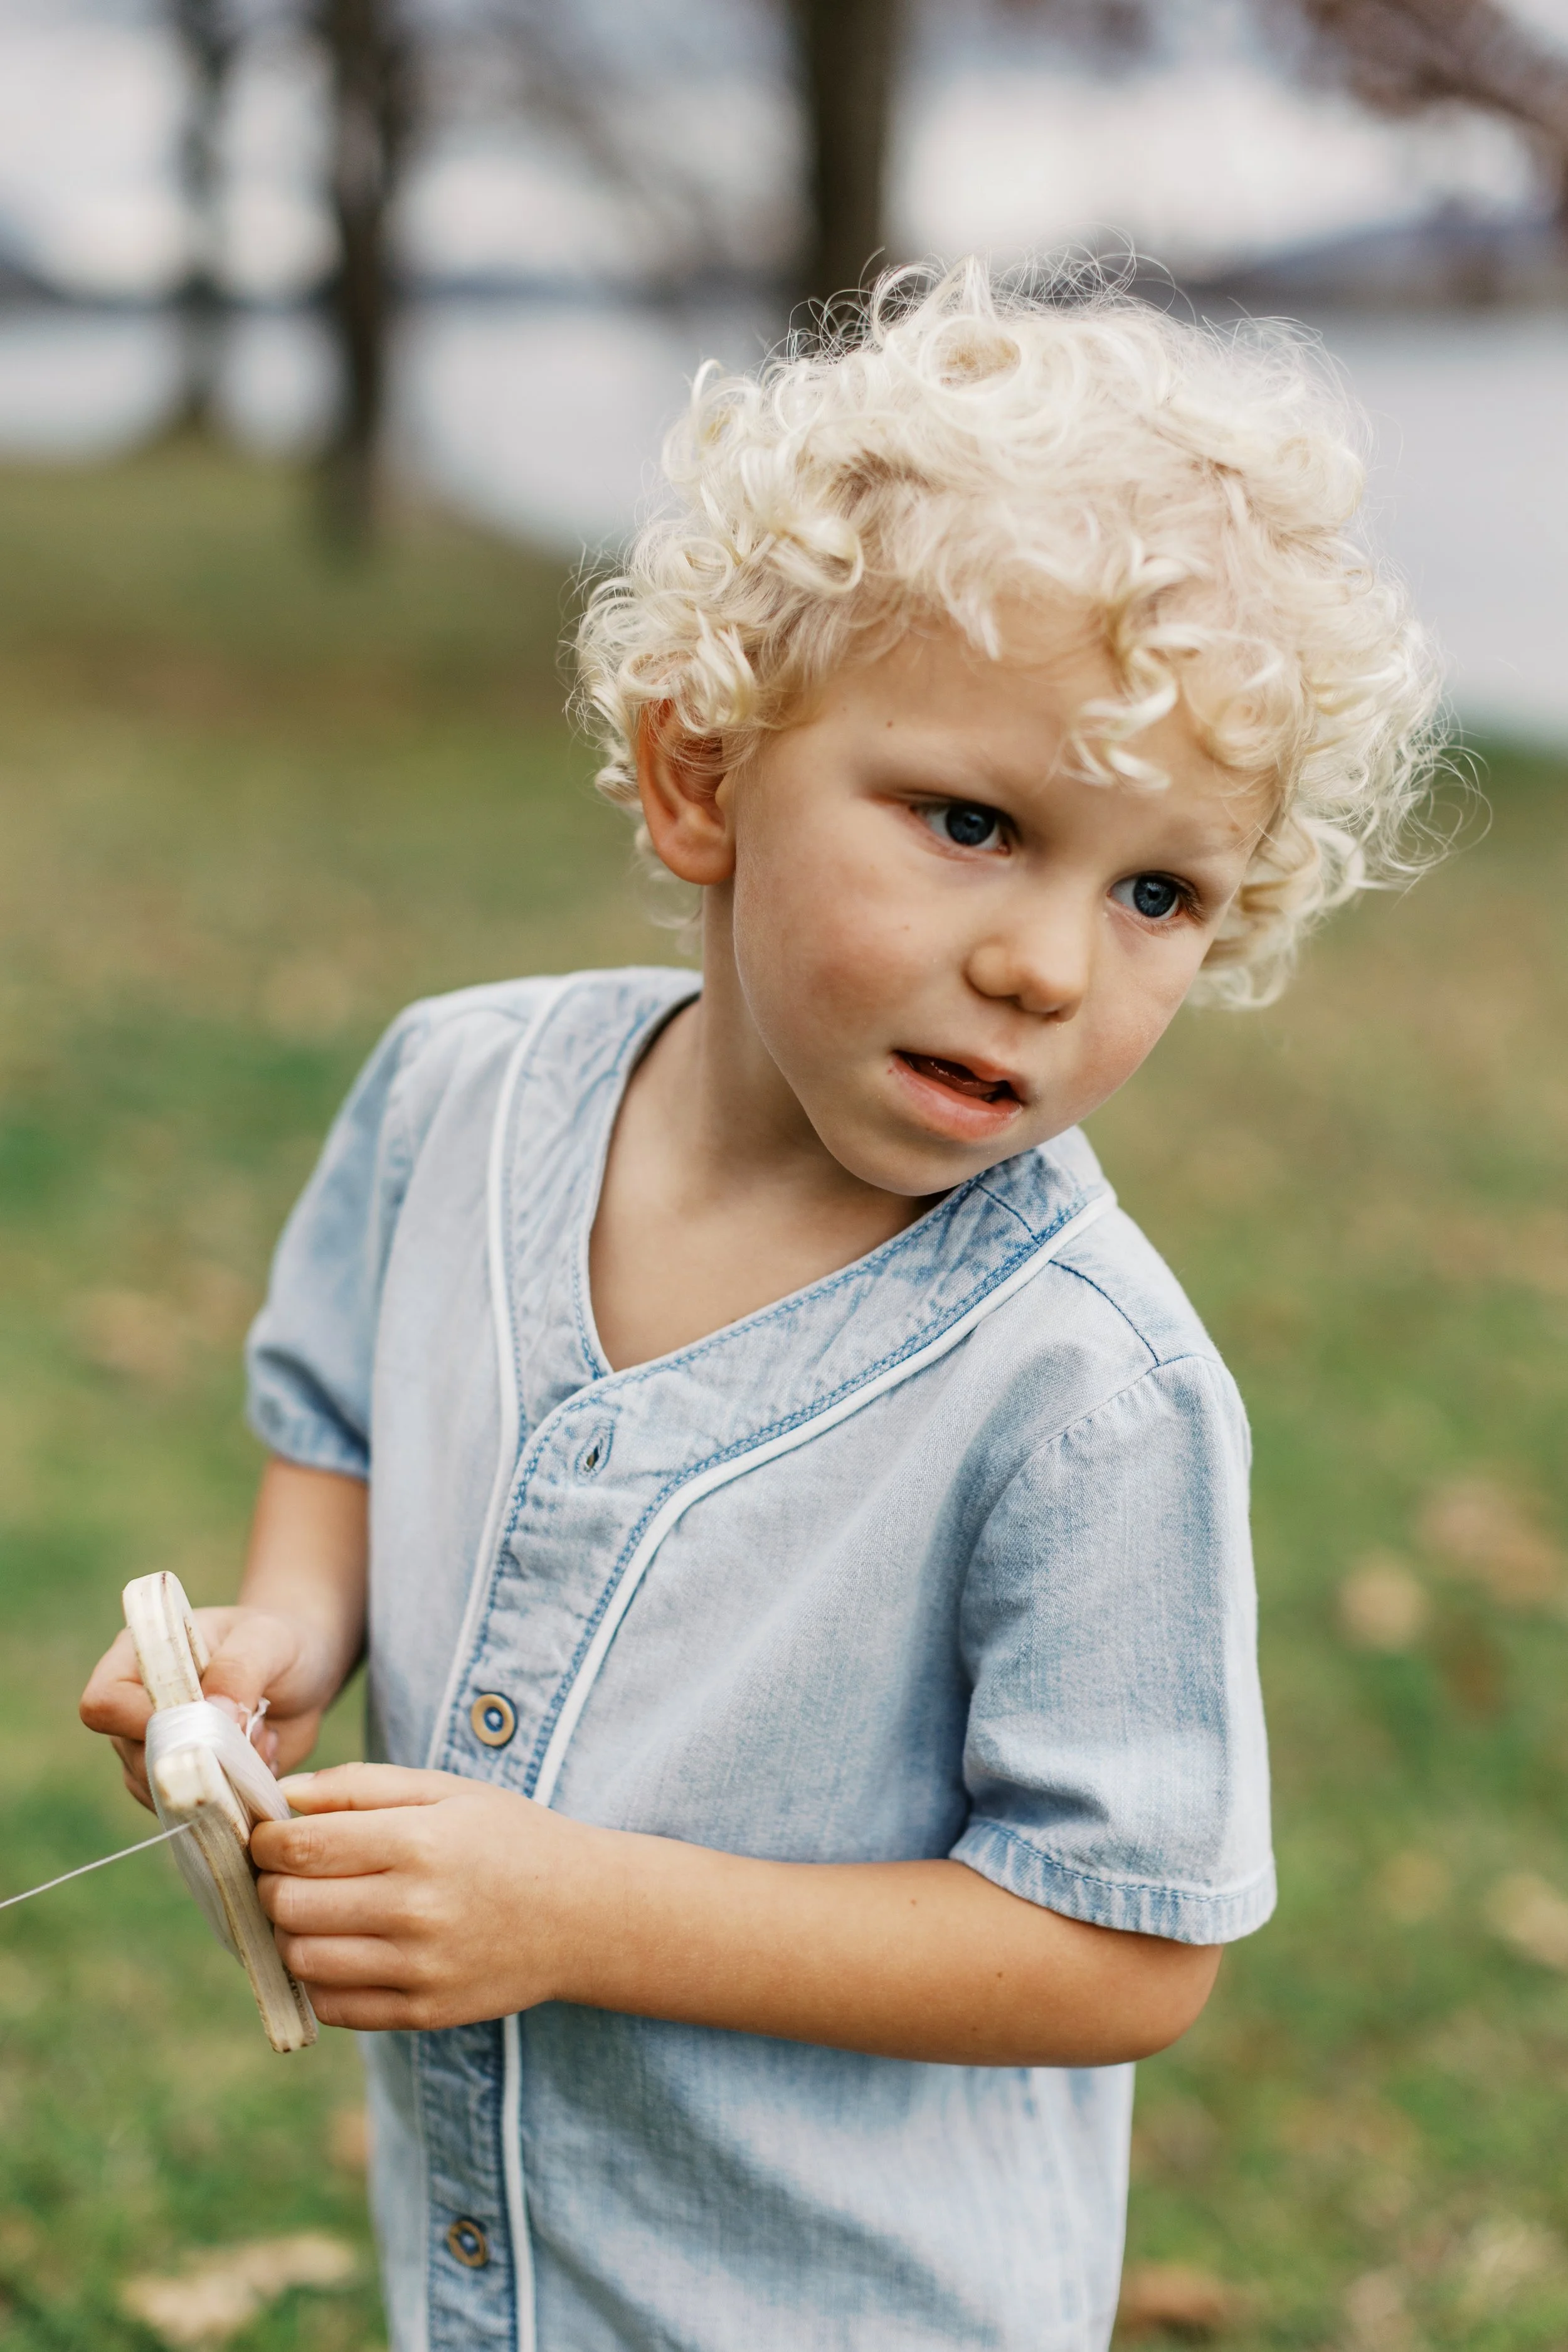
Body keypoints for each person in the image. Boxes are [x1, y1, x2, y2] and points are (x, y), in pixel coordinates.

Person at [82, 261, 1439, 2352]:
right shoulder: (465, 1089)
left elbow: (1121, 1953)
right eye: (971, 824)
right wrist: (281, 1638)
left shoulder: (1086, 1391)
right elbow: (335, 1407)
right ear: (698, 776)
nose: (1051, 966)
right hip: (514, 2275)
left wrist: (574, 1908)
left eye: (1156, 889)